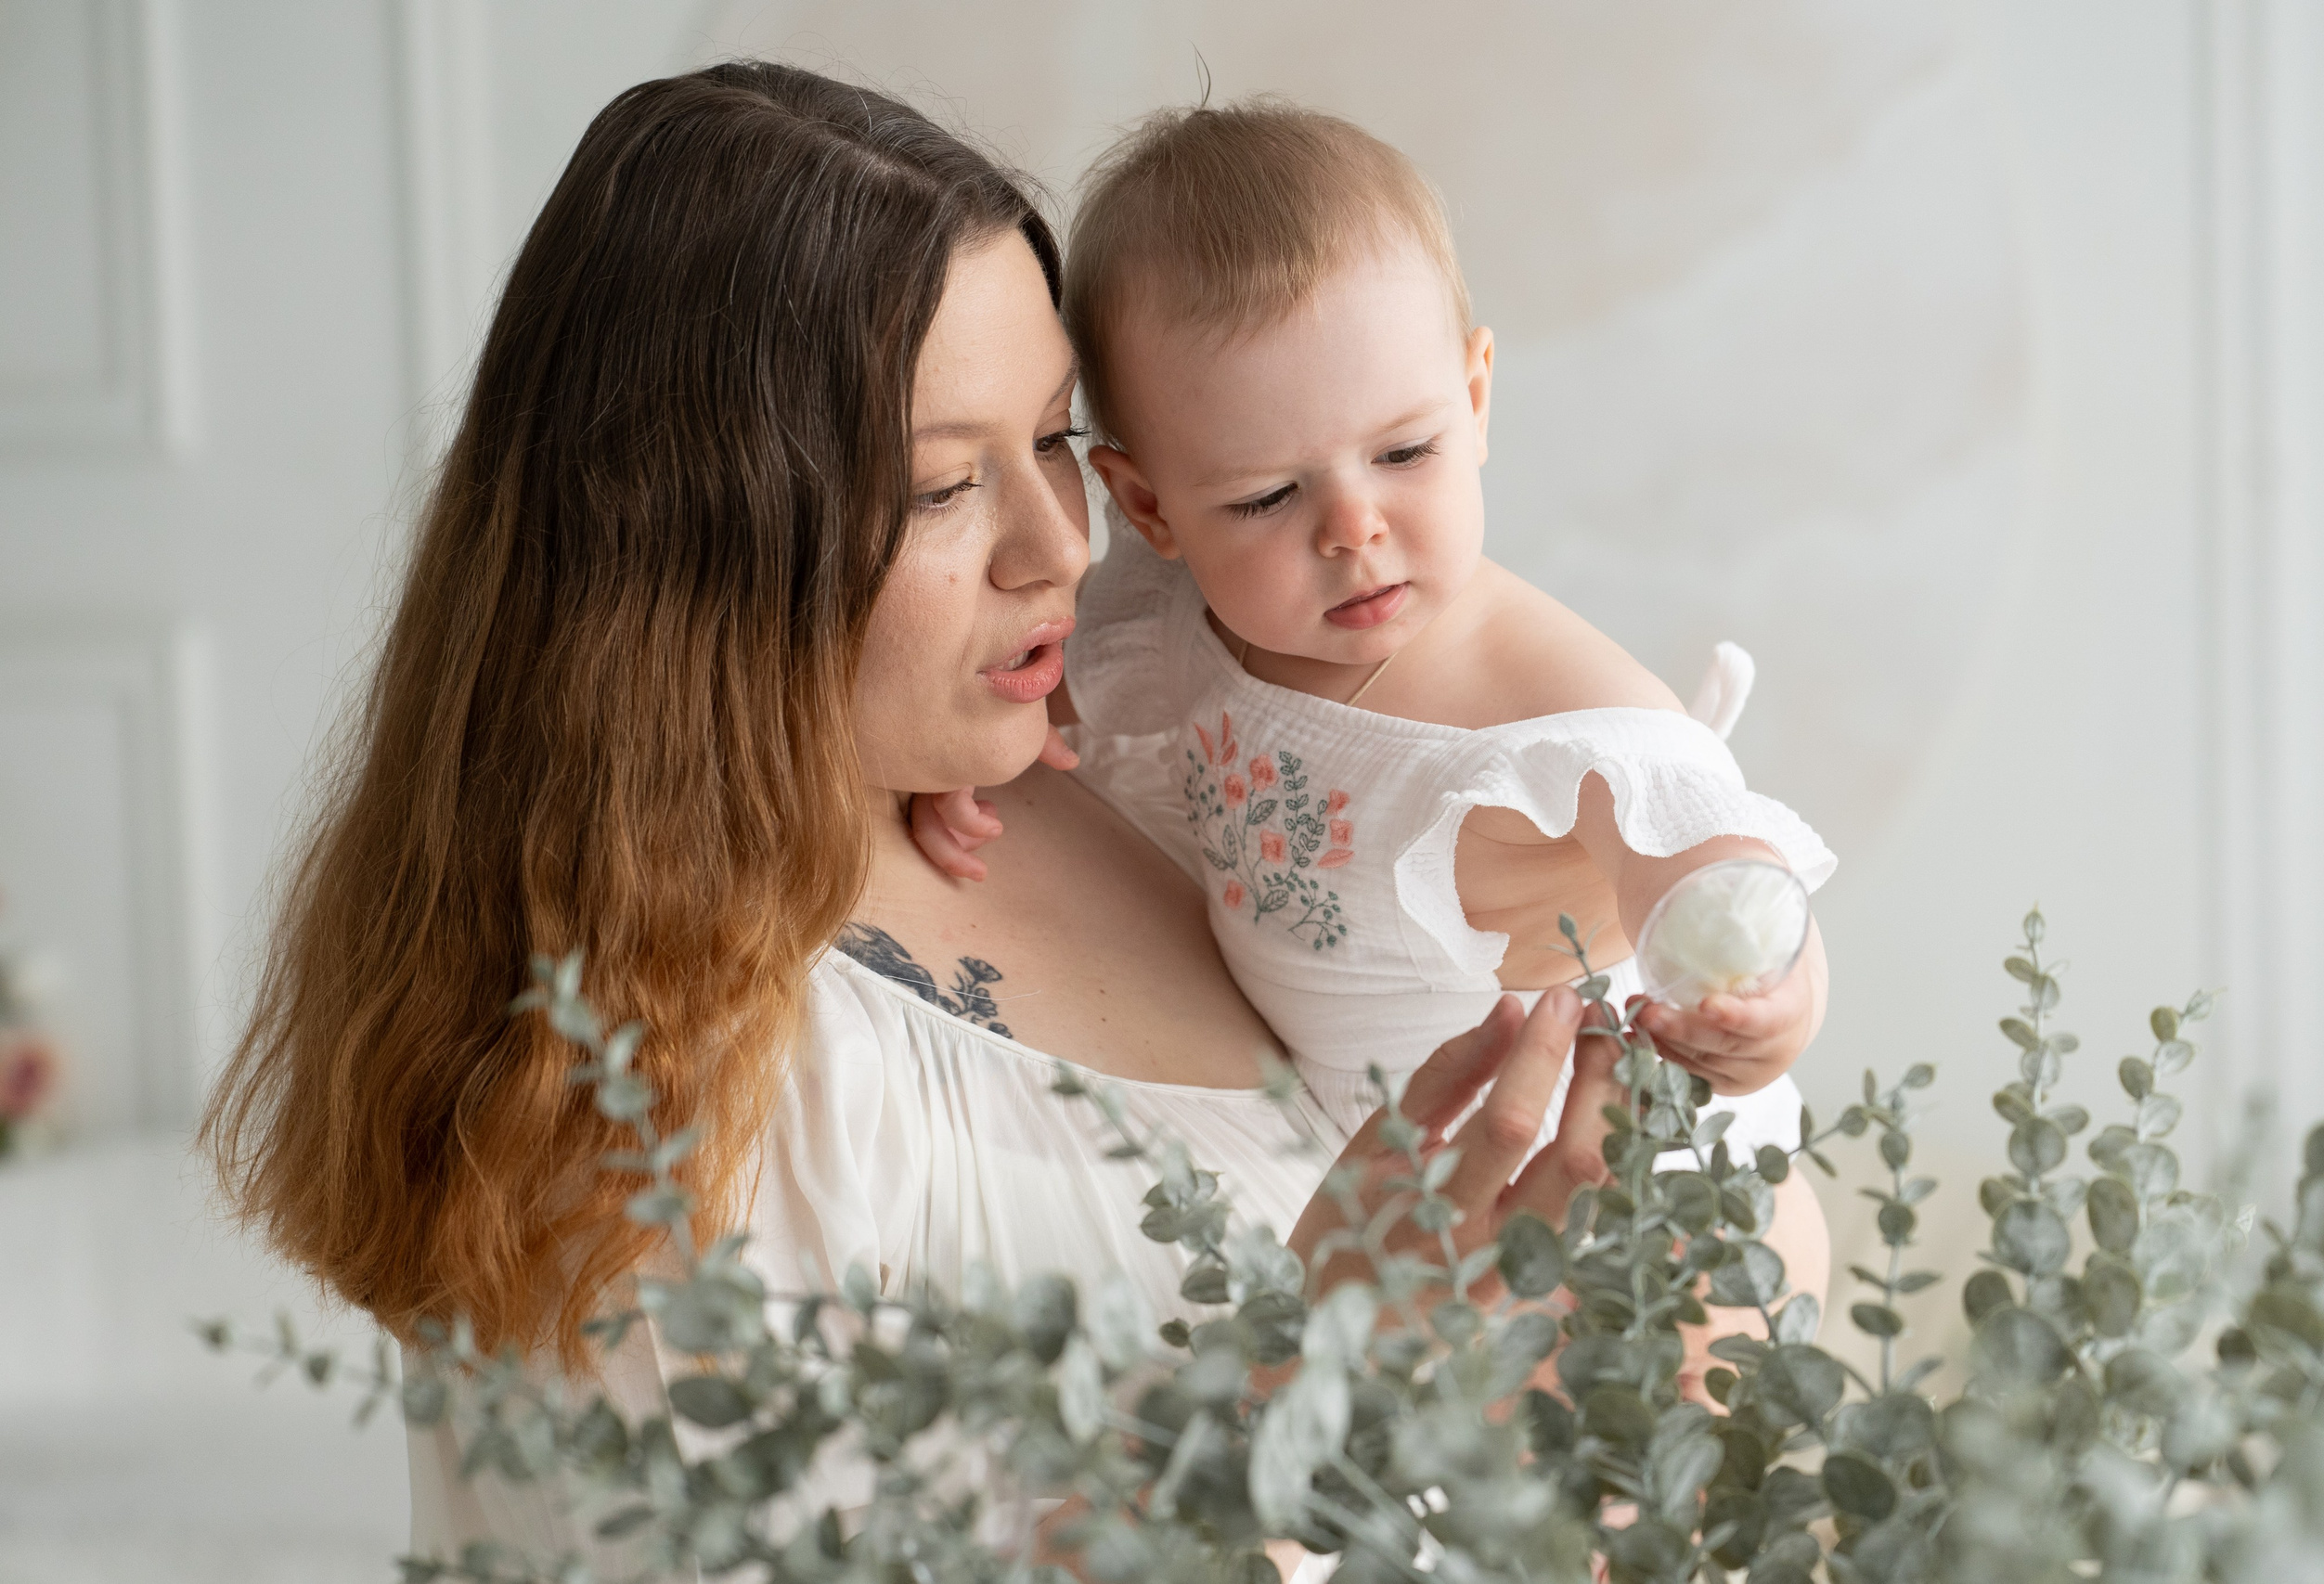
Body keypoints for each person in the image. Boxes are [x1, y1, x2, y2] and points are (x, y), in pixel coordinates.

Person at [198, 63, 1825, 1567]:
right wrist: (1307, 1392)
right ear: (696, 553)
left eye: (1054, 439)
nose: (1065, 544)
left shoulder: (1123, 771)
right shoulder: (661, 1097)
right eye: (942, 484)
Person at [910, 100, 1836, 1165]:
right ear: (1149, 508)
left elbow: (1712, 858)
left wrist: (1770, 1001)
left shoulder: (1551, 706)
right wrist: (964, 754)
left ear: (1473, 400)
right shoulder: (1175, 615)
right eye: (1265, 497)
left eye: (1403, 453)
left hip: (1609, 1177)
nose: (1354, 529)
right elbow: (1048, 682)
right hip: (1360, 1172)